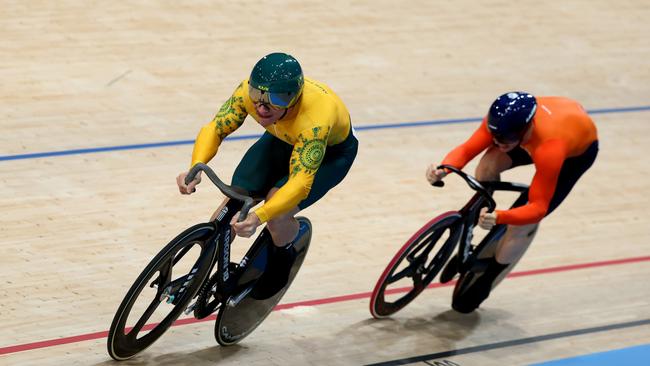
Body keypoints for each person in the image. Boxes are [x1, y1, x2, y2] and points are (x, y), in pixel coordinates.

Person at [176, 52, 358, 298]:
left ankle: (283, 259)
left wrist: (258, 217)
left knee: (277, 212)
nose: (262, 107)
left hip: (330, 155)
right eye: (257, 96)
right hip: (282, 138)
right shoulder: (246, 94)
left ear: (294, 98)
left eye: (276, 99)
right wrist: (196, 165)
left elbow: (301, 183)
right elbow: (215, 129)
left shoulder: (315, 120)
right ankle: (200, 272)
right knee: (234, 201)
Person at [426, 92, 598, 313]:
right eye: (495, 135)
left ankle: (487, 279)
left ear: (525, 129)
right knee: (487, 164)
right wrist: (444, 169)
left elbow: (537, 208)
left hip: (573, 153)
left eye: (505, 139)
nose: (498, 142)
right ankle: (473, 231)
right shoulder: (500, 124)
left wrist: (502, 217)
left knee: (521, 223)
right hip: (545, 126)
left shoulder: (550, 148)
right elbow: (468, 149)